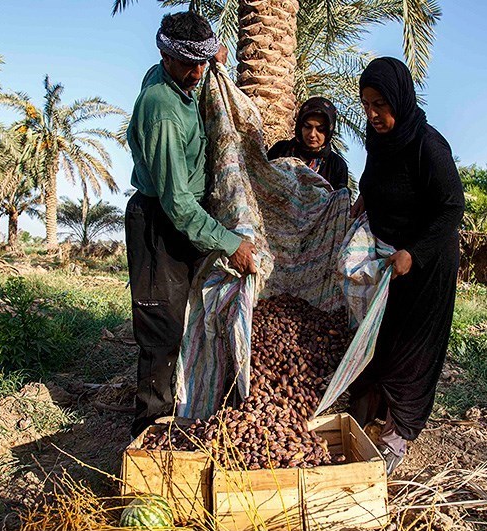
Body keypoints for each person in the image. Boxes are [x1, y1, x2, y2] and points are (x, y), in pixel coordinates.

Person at [125, 11, 257, 440]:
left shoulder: (177, 76)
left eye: (203, 62)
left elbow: (198, 60)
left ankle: (190, 405)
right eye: (189, 63)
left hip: (181, 217)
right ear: (164, 55)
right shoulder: (161, 109)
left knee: (191, 317)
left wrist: (212, 56)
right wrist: (228, 242)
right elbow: (178, 203)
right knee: (161, 328)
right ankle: (150, 429)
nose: (199, 72)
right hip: (160, 222)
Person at [347, 57, 465, 475]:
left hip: (428, 262)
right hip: (391, 259)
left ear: (400, 98)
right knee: (383, 340)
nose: (373, 114)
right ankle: (374, 412)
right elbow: (376, 180)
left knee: (412, 351)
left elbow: (452, 208)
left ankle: (400, 431)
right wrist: (366, 200)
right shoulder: (378, 140)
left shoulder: (426, 144)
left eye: (380, 104)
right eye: (366, 105)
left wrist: (414, 252)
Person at [267, 96, 350, 192]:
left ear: (329, 131)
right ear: (300, 126)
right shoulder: (281, 149)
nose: (312, 134)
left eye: (320, 129)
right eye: (307, 126)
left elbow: (338, 201)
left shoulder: (336, 165)